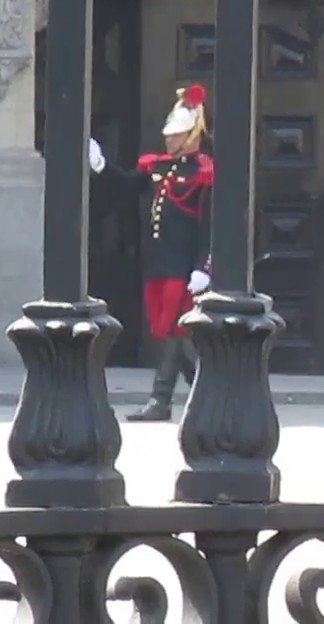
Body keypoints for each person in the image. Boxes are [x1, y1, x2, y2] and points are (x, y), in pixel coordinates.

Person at [88, 85, 213, 422]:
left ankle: (161, 400)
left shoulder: (204, 173)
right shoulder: (159, 167)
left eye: (176, 135)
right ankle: (206, 392)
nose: (169, 140)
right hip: (158, 262)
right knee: (167, 330)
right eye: (168, 135)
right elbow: (129, 186)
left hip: (184, 265)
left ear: (191, 136)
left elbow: (209, 225)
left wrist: (203, 267)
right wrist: (101, 165)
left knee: (175, 331)